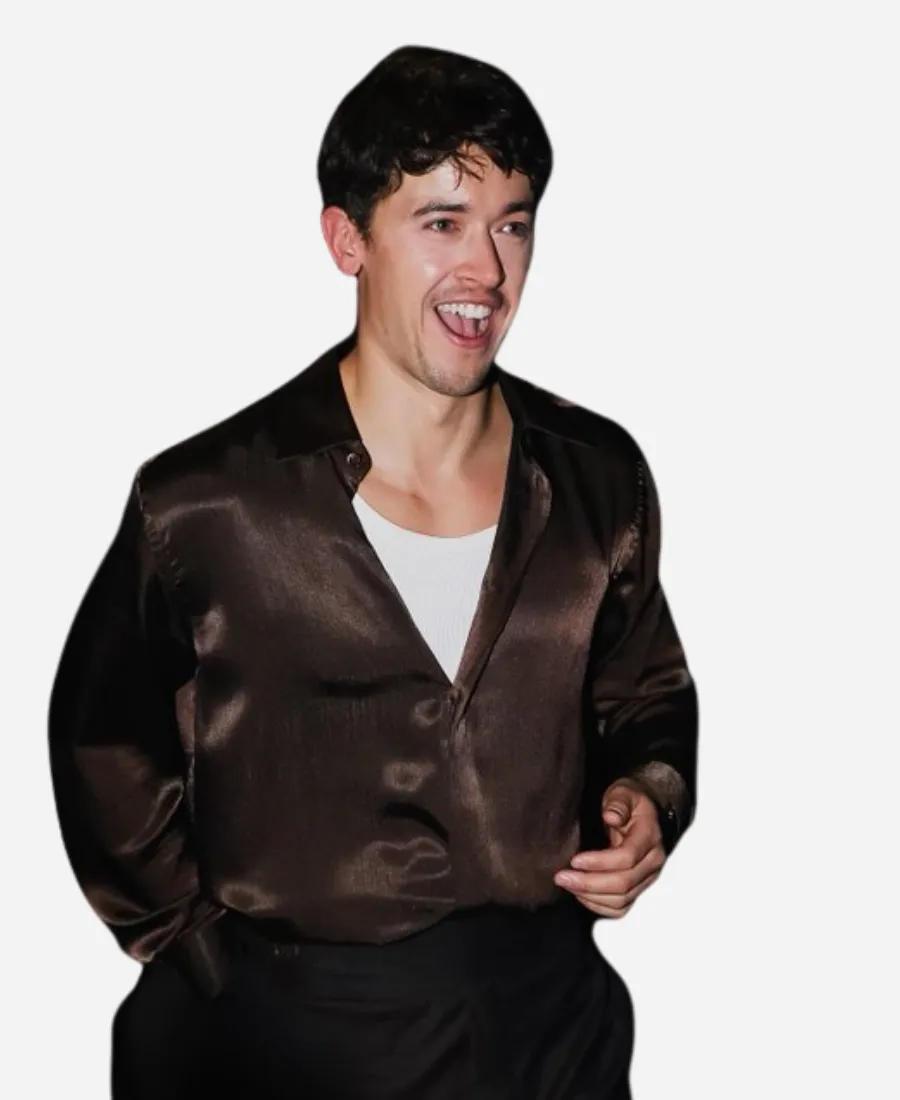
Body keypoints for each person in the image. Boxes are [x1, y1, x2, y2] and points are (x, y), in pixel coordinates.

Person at [48, 44, 698, 1100]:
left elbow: (645, 694)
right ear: (347, 239)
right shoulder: (207, 503)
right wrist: (206, 958)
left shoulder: (597, 476)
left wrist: (647, 793)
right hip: (285, 1040)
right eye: (442, 223)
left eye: (512, 224)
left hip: (549, 1031)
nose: (486, 271)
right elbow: (102, 740)